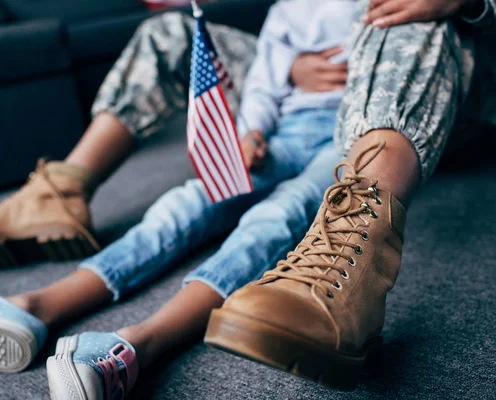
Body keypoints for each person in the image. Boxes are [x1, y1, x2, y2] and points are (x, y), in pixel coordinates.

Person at [0, 1, 356, 399]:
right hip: (287, 128)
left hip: (350, 137)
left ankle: (141, 343)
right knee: (187, 202)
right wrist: (249, 130)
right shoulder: (291, 9)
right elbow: (263, 82)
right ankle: (35, 306)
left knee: (279, 216)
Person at [204, 0, 495, 391]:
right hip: (339, 101)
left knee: (397, 10)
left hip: (470, 86)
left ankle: (355, 244)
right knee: (172, 32)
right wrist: (288, 70)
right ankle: (87, 183)